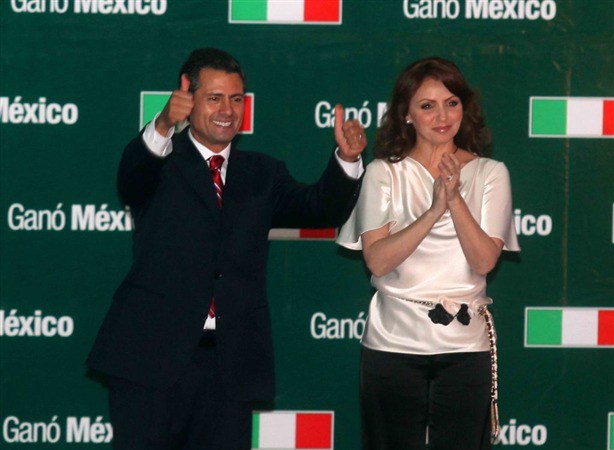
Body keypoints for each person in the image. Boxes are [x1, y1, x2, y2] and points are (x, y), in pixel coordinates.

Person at [87, 47, 366, 450]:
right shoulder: (160, 161)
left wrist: (347, 159)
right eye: (214, 98)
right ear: (188, 99)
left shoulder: (263, 172)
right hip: (149, 359)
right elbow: (130, 178)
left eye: (236, 99)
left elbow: (320, 208)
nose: (227, 110)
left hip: (229, 365)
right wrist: (163, 124)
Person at [337, 57, 520, 449]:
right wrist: (433, 210)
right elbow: (377, 260)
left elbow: (484, 260)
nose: (442, 116)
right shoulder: (384, 172)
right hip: (392, 342)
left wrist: (455, 199)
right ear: (407, 114)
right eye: (427, 105)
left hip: (465, 345)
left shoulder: (490, 173)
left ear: (464, 108)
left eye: (451, 103)